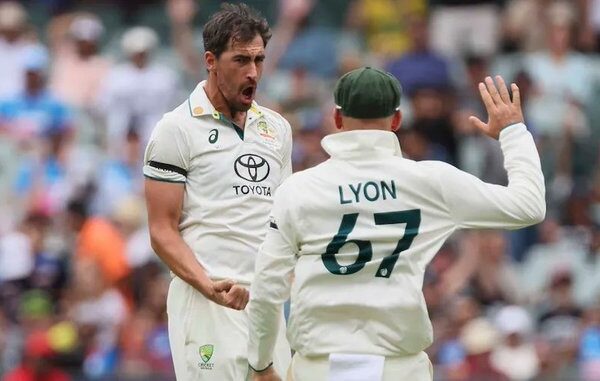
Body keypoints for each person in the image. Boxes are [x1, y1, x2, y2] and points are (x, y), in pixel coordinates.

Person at [247, 67, 545, 381]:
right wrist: (513, 131)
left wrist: (261, 364)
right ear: (397, 120)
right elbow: (529, 206)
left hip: (319, 368)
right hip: (399, 369)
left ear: (336, 119)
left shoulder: (298, 189)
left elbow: (267, 288)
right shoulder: (428, 181)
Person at [143, 3, 293, 380]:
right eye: (241, 60)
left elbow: (286, 221)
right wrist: (208, 285)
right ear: (211, 60)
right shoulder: (175, 129)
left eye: (259, 59)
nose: (253, 72)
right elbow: (162, 231)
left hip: (266, 307)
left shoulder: (276, 129)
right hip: (207, 301)